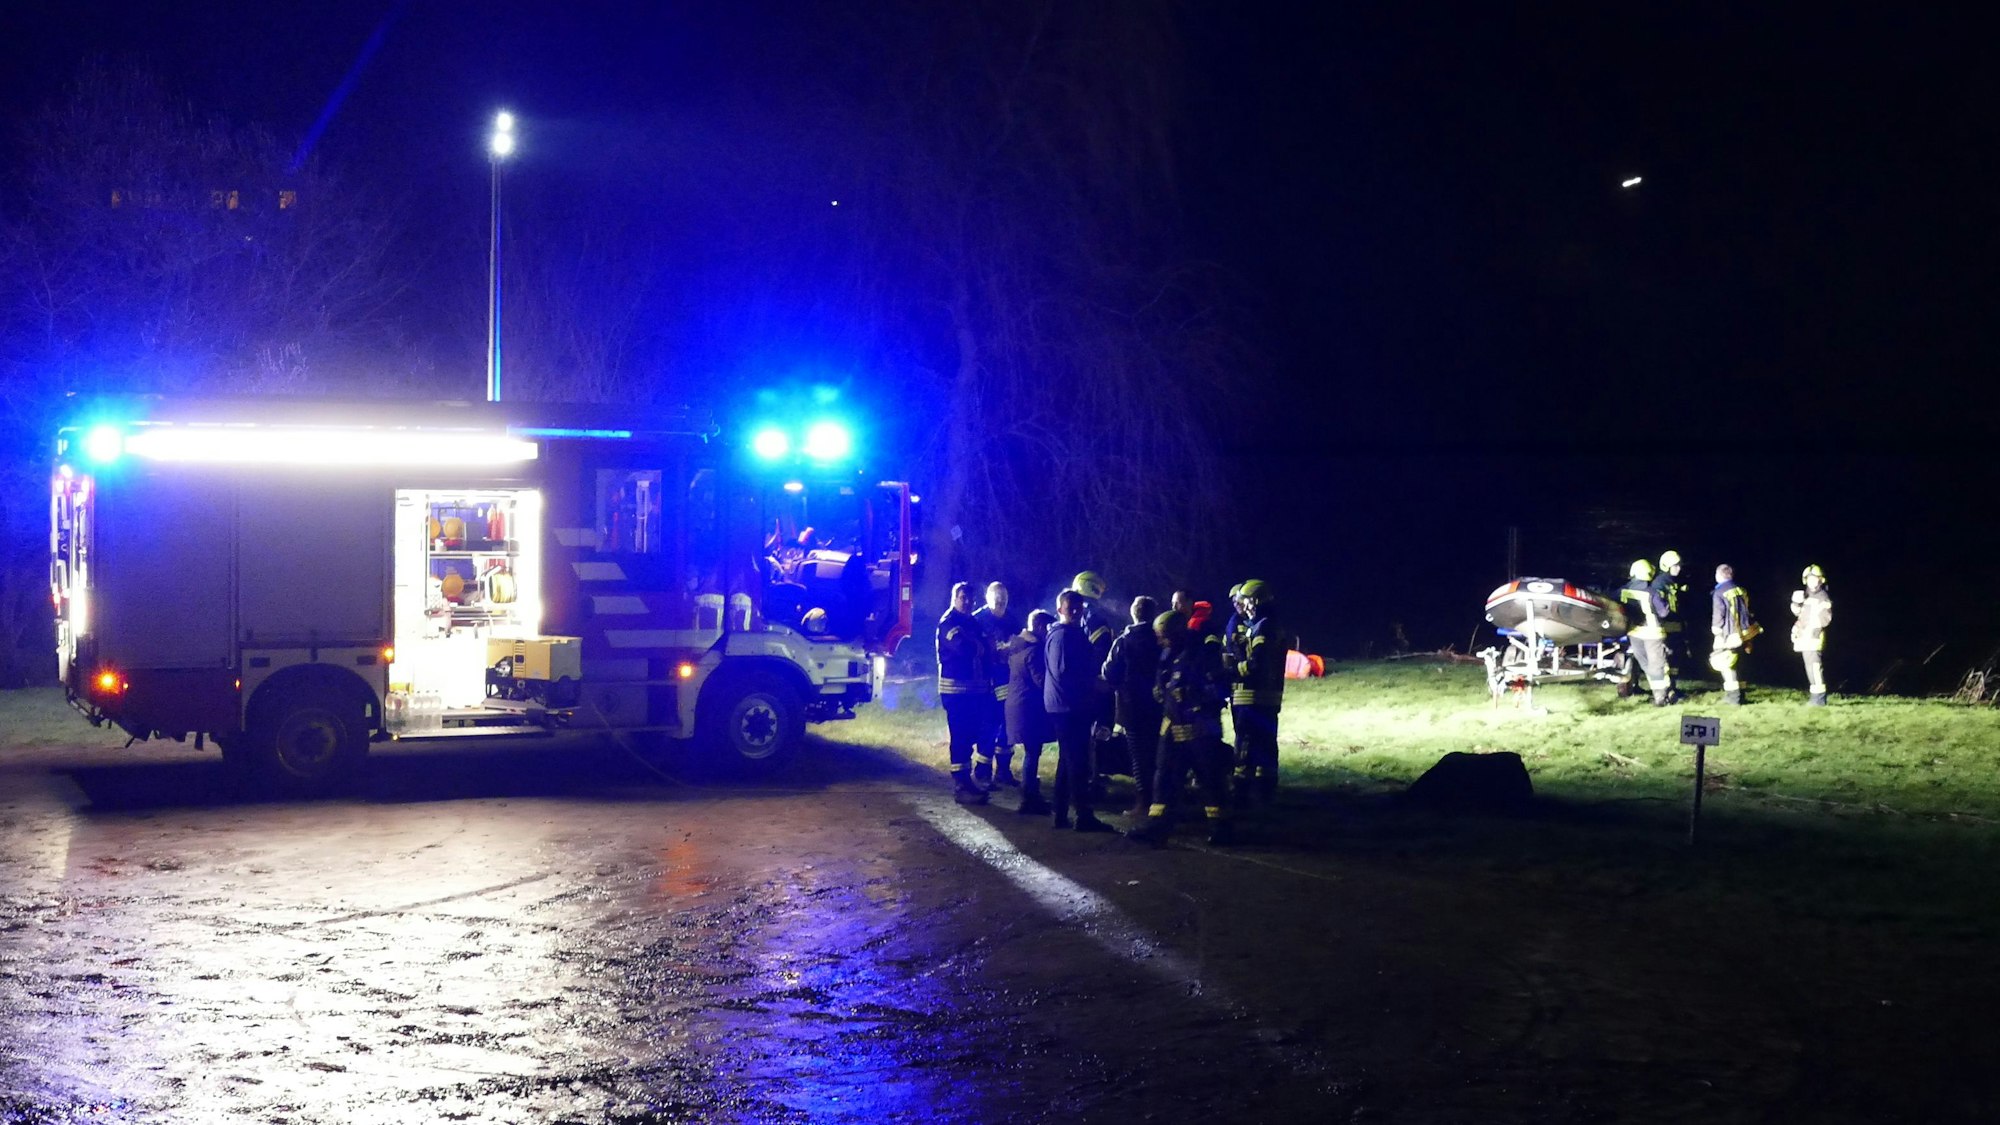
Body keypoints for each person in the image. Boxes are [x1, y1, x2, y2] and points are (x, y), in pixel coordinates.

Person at [1127, 611, 1235, 847]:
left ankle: (1222, 827)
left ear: (1177, 633)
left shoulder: (1203, 653)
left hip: (1200, 731)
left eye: (1163, 636)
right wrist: (1160, 690)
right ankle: (1158, 827)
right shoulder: (1168, 654)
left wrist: (1194, 694)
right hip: (1172, 728)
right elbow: (1163, 682)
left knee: (1210, 779)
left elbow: (1222, 687)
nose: (1160, 642)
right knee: (1164, 778)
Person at [1045, 589, 1115, 832]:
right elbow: (1065, 673)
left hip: (1067, 706)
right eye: (1070, 607)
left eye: (1079, 606)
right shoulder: (1063, 636)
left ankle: (1060, 813)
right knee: (1078, 762)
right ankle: (1083, 816)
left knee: (1067, 761)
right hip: (1069, 707)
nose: (1075, 611)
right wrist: (1094, 684)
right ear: (1060, 609)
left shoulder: (1070, 633)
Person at [1102, 595, 1164, 817]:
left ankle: (1143, 802)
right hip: (1158, 705)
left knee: (1138, 756)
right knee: (1158, 753)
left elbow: (1110, 672)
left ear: (1133, 613)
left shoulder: (1124, 641)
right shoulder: (1160, 639)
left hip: (1131, 706)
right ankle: (1160, 800)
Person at [1230, 579, 1291, 802]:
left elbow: (1257, 662)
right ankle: (1264, 791)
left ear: (1255, 601)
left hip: (1252, 695)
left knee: (1245, 743)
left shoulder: (1263, 627)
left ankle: (1242, 792)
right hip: (1266, 696)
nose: (1243, 606)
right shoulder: (1268, 624)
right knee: (1265, 744)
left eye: (1246, 601)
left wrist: (1232, 669)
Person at [935, 581, 992, 805]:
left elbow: (986, 644)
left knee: (969, 735)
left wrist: (982, 645)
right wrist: (981, 646)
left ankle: (968, 781)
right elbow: (964, 648)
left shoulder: (971, 622)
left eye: (970, 599)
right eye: (963, 598)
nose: (967, 602)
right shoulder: (948, 623)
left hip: (972, 690)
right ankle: (961, 785)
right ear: (954, 599)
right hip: (955, 690)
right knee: (960, 736)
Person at [1070, 571, 1119, 800]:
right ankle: (1093, 779)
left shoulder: (1075, 614)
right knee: (1099, 732)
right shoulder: (1096, 618)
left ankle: (1087, 776)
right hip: (1096, 687)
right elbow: (1101, 653)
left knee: (1084, 734)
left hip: (1078, 686)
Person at [1004, 610, 1056, 815]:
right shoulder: (1033, 651)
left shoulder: (1018, 647)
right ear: (1040, 627)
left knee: (1031, 752)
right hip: (1028, 708)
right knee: (1032, 753)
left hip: (1020, 706)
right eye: (1048, 628)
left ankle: (1030, 795)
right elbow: (1041, 681)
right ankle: (1029, 799)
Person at [970, 581, 1022, 788]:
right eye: (997, 597)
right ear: (988, 598)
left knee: (1007, 726)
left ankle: (1003, 771)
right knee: (988, 726)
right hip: (986, 683)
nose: (1001, 601)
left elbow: (1019, 643)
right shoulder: (978, 620)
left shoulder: (1012, 619)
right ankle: (982, 772)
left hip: (1008, 681)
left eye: (1004, 597)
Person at [1619, 559, 1672, 706]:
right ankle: (1661, 697)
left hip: (1634, 633)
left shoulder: (1623, 590)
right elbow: (1663, 612)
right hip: (1653, 633)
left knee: (1646, 665)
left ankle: (1660, 693)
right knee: (1657, 666)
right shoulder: (1652, 592)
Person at [1709, 564, 1759, 705]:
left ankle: (1733, 697)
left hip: (1730, 633)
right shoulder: (1741, 589)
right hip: (1746, 632)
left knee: (1726, 663)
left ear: (1719, 575)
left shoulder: (1719, 592)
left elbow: (1719, 614)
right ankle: (1741, 694)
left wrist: (1717, 631)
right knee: (1740, 663)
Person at [1791, 564, 1833, 706]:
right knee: (1809, 666)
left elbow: (1825, 619)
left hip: (1814, 637)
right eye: (1809, 579)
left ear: (1821, 580)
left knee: (1814, 666)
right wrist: (1796, 604)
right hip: (1804, 636)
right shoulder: (1806, 594)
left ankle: (1819, 699)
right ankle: (1816, 697)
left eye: (1815, 579)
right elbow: (1800, 614)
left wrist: (1812, 632)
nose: (1812, 582)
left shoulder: (1823, 597)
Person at [1653, 550, 1688, 698]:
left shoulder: (1675, 582)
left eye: (1679, 565)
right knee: (1666, 658)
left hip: (1676, 626)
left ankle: (1673, 686)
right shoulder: (1660, 583)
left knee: (1676, 658)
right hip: (1665, 627)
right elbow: (1659, 607)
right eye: (1675, 565)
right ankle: (1666, 690)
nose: (1678, 568)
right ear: (1666, 566)